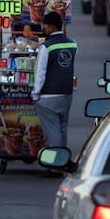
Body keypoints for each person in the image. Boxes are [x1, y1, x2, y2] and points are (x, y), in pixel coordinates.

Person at [31, 11, 77, 152]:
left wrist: (35, 94)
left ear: (51, 27)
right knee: (62, 129)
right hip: (66, 94)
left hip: (48, 96)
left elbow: (40, 73)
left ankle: (55, 165)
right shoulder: (73, 45)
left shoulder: (46, 47)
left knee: (53, 132)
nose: (44, 29)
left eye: (45, 26)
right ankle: (62, 163)